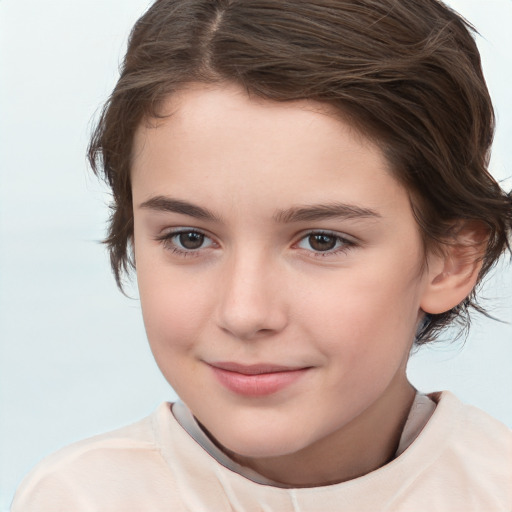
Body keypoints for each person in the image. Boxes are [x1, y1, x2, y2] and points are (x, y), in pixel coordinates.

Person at [11, 0, 512, 510]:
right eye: (189, 238)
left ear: (452, 257)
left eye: (322, 240)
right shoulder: (78, 498)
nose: (244, 313)